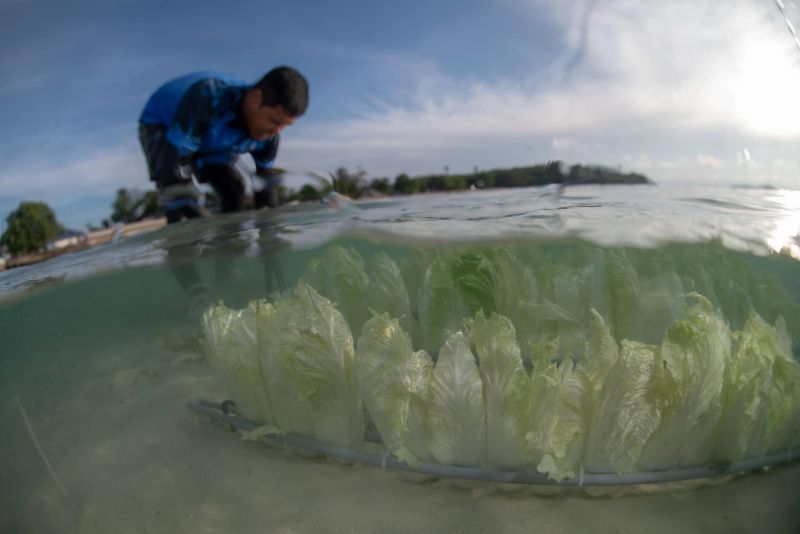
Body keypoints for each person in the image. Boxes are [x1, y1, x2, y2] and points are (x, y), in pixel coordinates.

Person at [138, 66, 309, 223]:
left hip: (212, 141)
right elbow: (174, 166)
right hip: (164, 124)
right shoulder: (209, 96)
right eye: (274, 121)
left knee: (234, 190)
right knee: (180, 199)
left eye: (284, 126)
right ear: (256, 98)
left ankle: (232, 250)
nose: (276, 132)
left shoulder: (271, 136)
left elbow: (266, 191)